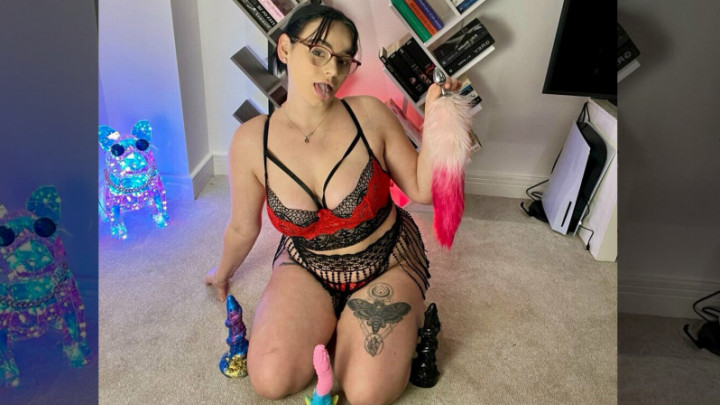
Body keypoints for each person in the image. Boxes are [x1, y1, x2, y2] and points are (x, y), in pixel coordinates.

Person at [205, 4, 461, 404]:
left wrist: (441, 118)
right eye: (319, 51)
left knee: (367, 393)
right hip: (308, 265)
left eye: (343, 60)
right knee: (270, 380)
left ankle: (350, 331)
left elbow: (423, 189)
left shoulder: (369, 115)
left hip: (385, 261)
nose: (332, 71)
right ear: (285, 48)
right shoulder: (252, 141)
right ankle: (331, 324)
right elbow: (242, 226)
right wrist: (221, 273)